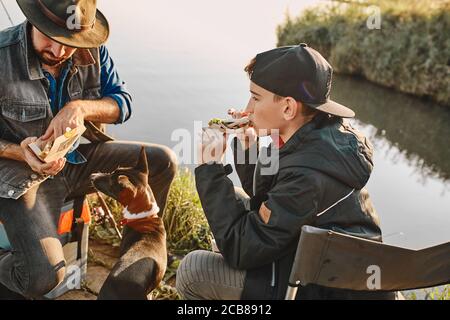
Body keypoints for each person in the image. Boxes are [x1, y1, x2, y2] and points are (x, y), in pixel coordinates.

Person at [176, 44, 395, 300]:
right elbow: (269, 195)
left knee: (193, 271)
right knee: (236, 198)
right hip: (314, 262)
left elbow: (240, 250)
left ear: (288, 108)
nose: (247, 107)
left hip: (323, 289)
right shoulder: (316, 134)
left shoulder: (307, 176)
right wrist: (249, 146)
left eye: (256, 98)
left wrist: (209, 168)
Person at [0, 0, 177, 299]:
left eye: (69, 44)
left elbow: (122, 103)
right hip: (21, 175)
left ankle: (140, 239)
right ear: (34, 20)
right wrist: (19, 151)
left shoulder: (91, 47)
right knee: (41, 278)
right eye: (51, 39)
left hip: (77, 162)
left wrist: (80, 107)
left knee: (163, 161)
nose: (59, 53)